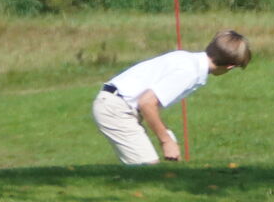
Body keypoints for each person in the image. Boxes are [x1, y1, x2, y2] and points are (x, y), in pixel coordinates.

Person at [92, 30, 251, 163]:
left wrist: (168, 136)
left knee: (149, 169)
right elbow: (146, 102)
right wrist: (166, 141)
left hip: (115, 102)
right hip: (116, 109)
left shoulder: (187, 59)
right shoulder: (190, 72)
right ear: (230, 66)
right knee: (148, 169)